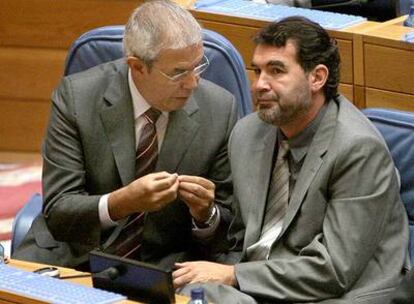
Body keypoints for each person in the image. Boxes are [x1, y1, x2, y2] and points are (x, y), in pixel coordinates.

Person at [173, 16, 410, 303]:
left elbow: (334, 270)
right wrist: (207, 217)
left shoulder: (358, 149)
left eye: (276, 71)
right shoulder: (248, 134)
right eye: (257, 70)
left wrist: (233, 275)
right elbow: (239, 239)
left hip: (336, 294)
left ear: (317, 78)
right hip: (259, 284)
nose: (260, 84)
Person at [13, 0, 237, 271]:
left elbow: (230, 228)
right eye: (178, 73)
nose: (192, 83)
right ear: (137, 66)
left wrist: (205, 215)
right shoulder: (77, 98)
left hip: (165, 266)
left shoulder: (221, 109)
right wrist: (120, 203)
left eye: (197, 66)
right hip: (73, 253)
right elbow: (59, 210)